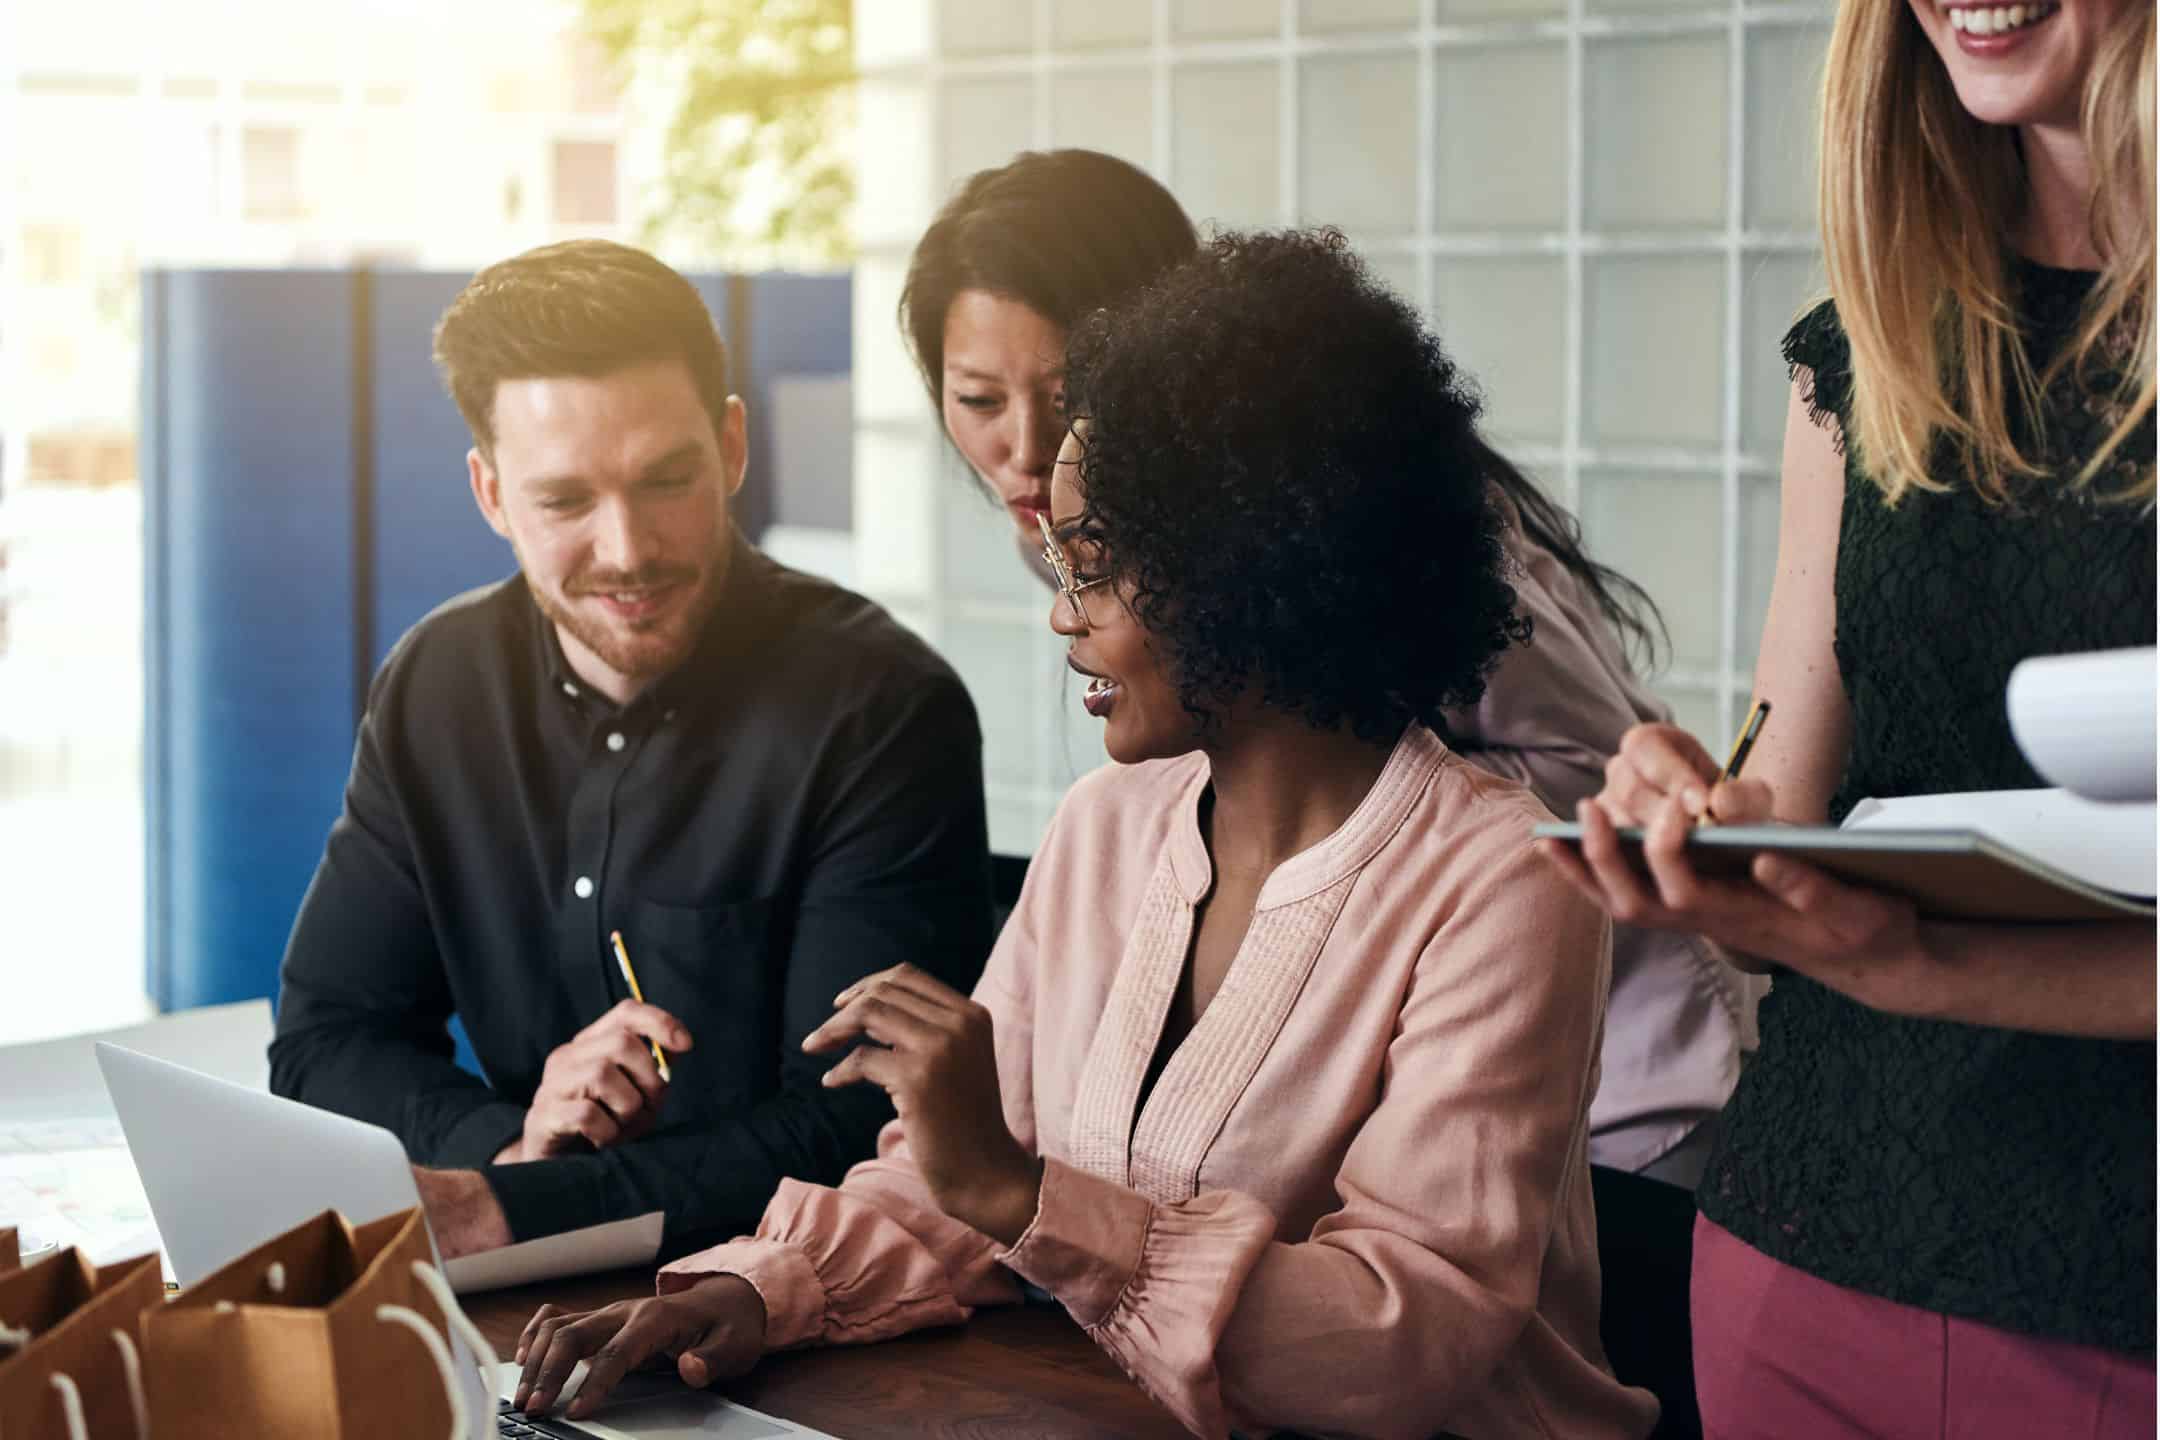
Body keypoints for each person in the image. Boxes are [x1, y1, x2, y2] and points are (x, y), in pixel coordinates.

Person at [505, 230, 1660, 1440]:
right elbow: (955, 1187)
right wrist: (754, 1289)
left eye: (1097, 565)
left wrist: (1018, 1191)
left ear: (1257, 564)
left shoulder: (1505, 881)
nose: (1061, 612)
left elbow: (1400, 1340)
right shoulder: (1107, 828)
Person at [901, 147, 1750, 1193]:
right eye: (979, 399)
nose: (1023, 451)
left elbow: (1590, 776)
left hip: (1622, 1094)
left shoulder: (1374, 527)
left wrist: (1339, 802)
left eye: (1067, 388)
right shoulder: (1082, 546)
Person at [1541, 0, 2156, 1429]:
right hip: (1808, 1250)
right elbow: (1783, 775)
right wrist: (1697, 812)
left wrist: (1927, 964)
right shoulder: (1868, 345)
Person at [269, 240, 994, 1261]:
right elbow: (326, 1039)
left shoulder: (881, 707)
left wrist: (522, 1206)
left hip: (796, 1295)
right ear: (491, 495)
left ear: (732, 447)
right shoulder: (437, 682)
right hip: (531, 1288)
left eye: (665, 481)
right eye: (565, 502)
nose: (627, 550)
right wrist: (507, 1146)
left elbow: (856, 1126)